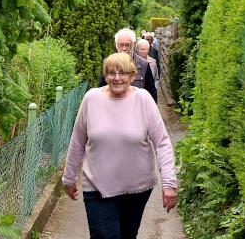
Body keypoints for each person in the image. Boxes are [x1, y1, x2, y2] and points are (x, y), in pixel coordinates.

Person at [63, 53, 178, 239]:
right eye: (111, 73)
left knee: (127, 235)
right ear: (105, 76)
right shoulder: (91, 99)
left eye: (123, 73)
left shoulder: (144, 100)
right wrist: (68, 178)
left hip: (136, 188)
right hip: (97, 186)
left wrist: (169, 184)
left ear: (133, 76)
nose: (117, 78)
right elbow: (77, 141)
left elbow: (163, 143)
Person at [98, 28, 157, 103]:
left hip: (136, 110)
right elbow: (101, 89)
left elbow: (151, 92)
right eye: (121, 45)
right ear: (116, 45)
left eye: (127, 45)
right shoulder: (108, 63)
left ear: (134, 44)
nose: (124, 48)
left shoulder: (143, 64)